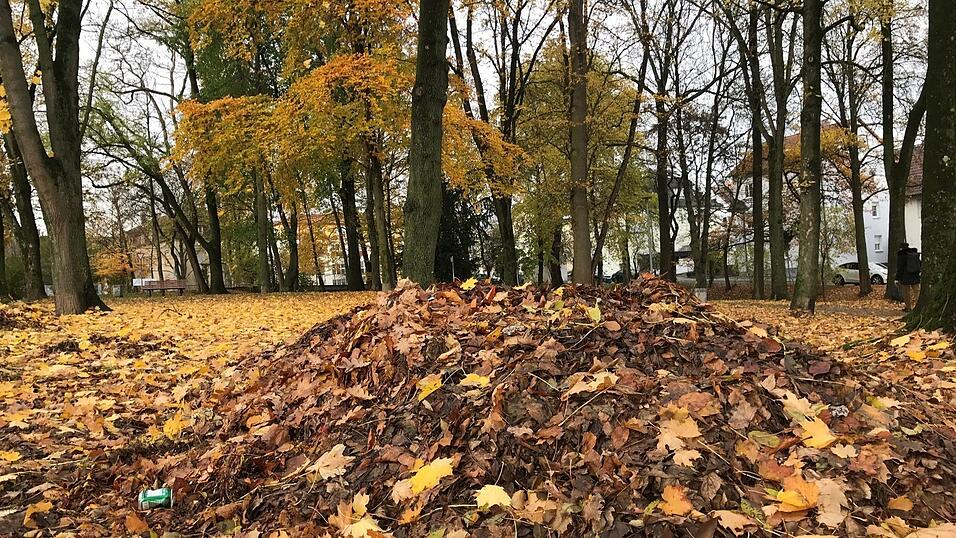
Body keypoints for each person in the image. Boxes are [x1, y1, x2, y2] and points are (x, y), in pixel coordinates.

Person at [896, 242, 921, 311]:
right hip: (915, 275)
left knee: (906, 292)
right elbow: (919, 263)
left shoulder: (901, 254)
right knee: (917, 291)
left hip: (905, 276)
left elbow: (900, 267)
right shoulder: (914, 253)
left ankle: (908, 307)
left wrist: (897, 277)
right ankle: (918, 306)